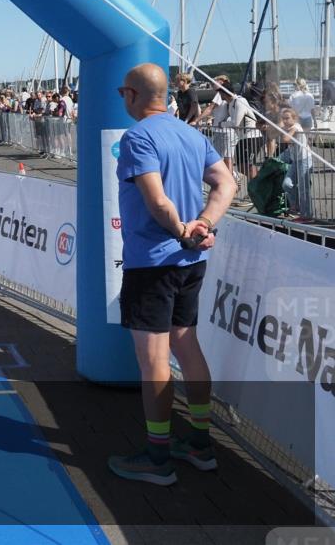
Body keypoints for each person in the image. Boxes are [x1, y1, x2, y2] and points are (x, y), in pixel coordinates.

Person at [108, 63, 236, 486]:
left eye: (122, 93)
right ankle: (200, 443)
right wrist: (204, 225)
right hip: (190, 262)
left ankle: (157, 457)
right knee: (187, 344)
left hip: (154, 262)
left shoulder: (138, 137)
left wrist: (184, 229)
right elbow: (226, 184)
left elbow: (157, 201)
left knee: (154, 361)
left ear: (131, 95)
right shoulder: (190, 133)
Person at [277, 107, 312, 218]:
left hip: (305, 160)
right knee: (286, 184)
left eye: (287, 118)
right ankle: (295, 205)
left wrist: (282, 128)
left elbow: (286, 139)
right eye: (283, 118)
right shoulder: (288, 128)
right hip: (295, 161)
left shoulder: (296, 127)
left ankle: (306, 214)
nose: (285, 121)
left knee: (303, 189)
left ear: (294, 118)